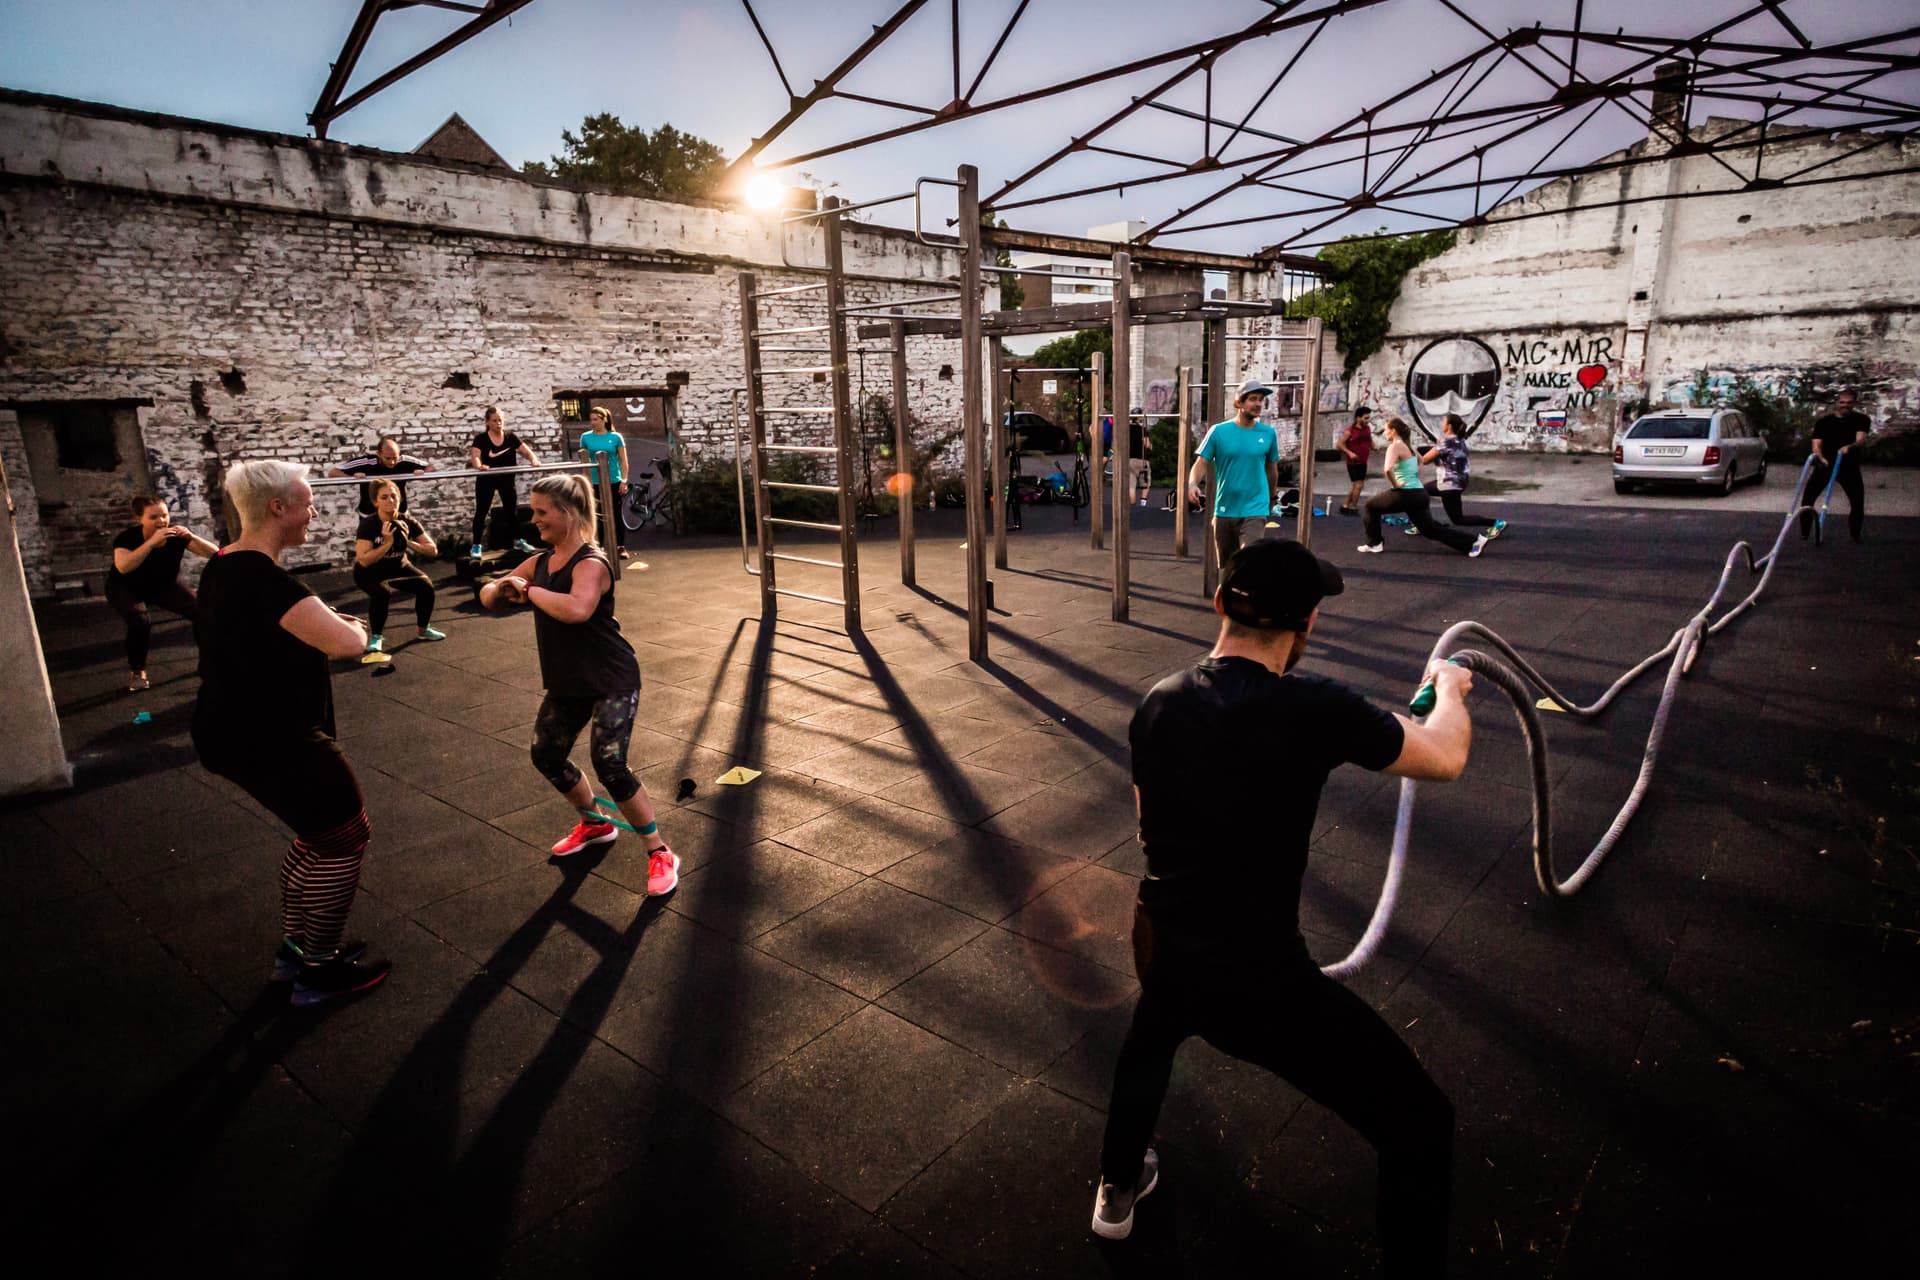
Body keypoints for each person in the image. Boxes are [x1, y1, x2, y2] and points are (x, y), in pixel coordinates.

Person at [1092, 539, 1468, 1275]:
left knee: (1152, 1037)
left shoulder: (1158, 702)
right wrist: (1448, 688)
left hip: (1163, 936)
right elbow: (1444, 757)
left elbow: (1147, 819)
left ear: (1219, 603)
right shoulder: (1317, 707)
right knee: (1422, 1123)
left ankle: (1115, 1184)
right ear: (1308, 625)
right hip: (1258, 981)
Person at [192, 460, 390, 1006]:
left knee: (315, 837)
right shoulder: (267, 581)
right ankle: (318, 970)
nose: (314, 512)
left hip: (229, 730)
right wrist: (351, 623)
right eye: (306, 503)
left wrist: (327, 615)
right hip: (273, 736)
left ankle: (297, 952)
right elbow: (352, 643)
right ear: (278, 508)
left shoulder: (225, 565)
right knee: (346, 838)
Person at [479, 474, 679, 892]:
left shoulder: (591, 562)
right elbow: (486, 595)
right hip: (569, 680)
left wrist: (527, 591)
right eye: (533, 512)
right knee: (546, 755)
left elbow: (577, 609)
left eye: (541, 512)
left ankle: (659, 851)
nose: (534, 520)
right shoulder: (539, 561)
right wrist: (501, 589)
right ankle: (594, 823)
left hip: (612, 677)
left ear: (568, 513)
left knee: (609, 762)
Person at [107, 495, 217, 691]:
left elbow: (215, 554)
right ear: (139, 519)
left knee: (203, 614)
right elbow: (123, 567)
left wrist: (192, 536)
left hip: (164, 585)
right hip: (126, 587)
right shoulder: (127, 538)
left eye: (164, 515)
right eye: (153, 517)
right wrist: (150, 543)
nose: (161, 521)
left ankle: (211, 661)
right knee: (139, 622)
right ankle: (138, 671)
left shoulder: (175, 536)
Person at [1360, 419, 1498, 557]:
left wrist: (1396, 485)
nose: (1384, 433)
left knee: (1370, 506)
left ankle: (1374, 543)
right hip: (1419, 494)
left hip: (1405, 494)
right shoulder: (1409, 446)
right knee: (1429, 530)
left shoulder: (1394, 447)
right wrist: (1414, 478)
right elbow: (1421, 461)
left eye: (1386, 430)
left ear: (1393, 431)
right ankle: (1474, 542)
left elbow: (1387, 469)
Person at [1188, 379, 1282, 573]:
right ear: (1239, 402)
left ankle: (1251, 601)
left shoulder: (1268, 434)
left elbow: (1272, 469)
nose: (1258, 404)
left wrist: (1272, 496)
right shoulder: (1219, 432)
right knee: (1227, 567)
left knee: (1248, 559)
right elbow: (1201, 463)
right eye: (1252, 399)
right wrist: (1192, 484)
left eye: (1261, 400)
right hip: (1225, 508)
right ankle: (1224, 601)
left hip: (1255, 507)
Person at [352, 478, 445, 658]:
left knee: (426, 587)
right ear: (375, 501)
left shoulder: (407, 521)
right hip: (368, 573)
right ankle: (376, 638)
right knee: (382, 594)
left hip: (398, 567)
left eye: (393, 496)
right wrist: (388, 543)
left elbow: (432, 550)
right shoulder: (369, 525)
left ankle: (423, 629)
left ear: (400, 499)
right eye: (384, 497)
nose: (390, 501)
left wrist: (408, 541)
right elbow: (364, 560)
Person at [467, 404, 540, 558]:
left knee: (511, 512)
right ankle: (476, 545)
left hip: (506, 479)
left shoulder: (510, 437)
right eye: (494, 421)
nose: (498, 423)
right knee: (481, 511)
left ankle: (519, 541)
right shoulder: (481, 439)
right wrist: (480, 466)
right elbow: (475, 457)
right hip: (487, 480)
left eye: (500, 420)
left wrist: (533, 460)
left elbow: (526, 451)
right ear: (487, 422)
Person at [1799, 389, 1870, 543]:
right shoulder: (1824, 422)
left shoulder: (1861, 419)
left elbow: (1860, 439)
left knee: (1857, 501)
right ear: (1836, 403)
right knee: (1808, 497)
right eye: (1842, 402)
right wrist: (1820, 457)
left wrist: (1849, 447)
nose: (1845, 405)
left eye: (1849, 403)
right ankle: (1805, 532)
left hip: (1848, 466)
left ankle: (1855, 534)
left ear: (1854, 403)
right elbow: (1816, 444)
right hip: (1826, 464)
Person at [1419, 413, 1503, 530]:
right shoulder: (1459, 439)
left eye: (1443, 422)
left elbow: (1425, 460)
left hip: (1450, 485)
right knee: (1421, 492)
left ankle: (1496, 523)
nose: (1441, 424)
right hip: (1459, 481)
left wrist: (1416, 454)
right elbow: (1446, 454)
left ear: (1449, 426)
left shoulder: (1446, 442)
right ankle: (1425, 523)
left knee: (1458, 519)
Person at [328, 435, 432, 516]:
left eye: (394, 458)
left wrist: (422, 473)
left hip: (398, 513)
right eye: (387, 458)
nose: (392, 462)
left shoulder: (404, 460)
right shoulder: (366, 462)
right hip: (370, 514)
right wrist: (352, 478)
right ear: (378, 454)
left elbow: (430, 467)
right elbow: (333, 472)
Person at [577, 406, 632, 559]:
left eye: (596, 419)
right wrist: (584, 481)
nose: (593, 423)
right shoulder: (585, 437)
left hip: (613, 480)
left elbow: (623, 460)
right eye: (591, 419)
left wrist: (624, 480)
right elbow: (583, 459)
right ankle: (598, 546)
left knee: (615, 514)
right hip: (594, 481)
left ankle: (620, 546)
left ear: (604, 420)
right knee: (597, 514)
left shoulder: (615, 437)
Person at [1337, 407, 1375, 515]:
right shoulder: (1350, 431)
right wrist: (1349, 453)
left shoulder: (1367, 428)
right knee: (1359, 485)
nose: (1367, 420)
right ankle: (1353, 508)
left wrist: (1373, 446)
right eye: (1365, 418)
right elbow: (1339, 445)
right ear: (1358, 418)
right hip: (1353, 463)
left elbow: (1369, 439)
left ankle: (1345, 505)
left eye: (1368, 418)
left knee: (1356, 485)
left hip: (1363, 461)